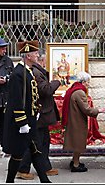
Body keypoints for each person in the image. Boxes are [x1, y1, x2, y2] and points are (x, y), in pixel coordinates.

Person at [2, 40, 51, 183]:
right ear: (28, 55)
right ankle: (9, 181)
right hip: (22, 123)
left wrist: (36, 112)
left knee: (36, 151)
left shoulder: (27, 71)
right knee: (18, 154)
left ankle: (45, 180)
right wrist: (22, 122)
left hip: (30, 120)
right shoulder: (18, 74)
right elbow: (17, 100)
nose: (37, 55)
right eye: (35, 53)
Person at [17, 52, 61, 180]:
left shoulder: (39, 71)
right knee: (35, 142)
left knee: (44, 141)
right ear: (43, 60)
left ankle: (45, 167)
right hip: (39, 113)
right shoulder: (36, 72)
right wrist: (57, 82)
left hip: (43, 113)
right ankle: (22, 169)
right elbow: (45, 90)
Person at [62, 71, 105, 172]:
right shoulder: (80, 92)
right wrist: (98, 110)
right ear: (83, 81)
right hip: (77, 121)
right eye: (87, 82)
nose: (88, 84)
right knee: (78, 143)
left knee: (76, 142)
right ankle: (76, 165)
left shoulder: (74, 89)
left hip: (73, 120)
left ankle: (74, 160)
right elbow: (86, 109)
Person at [0, 38, 14, 147]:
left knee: (4, 121)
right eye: (2, 48)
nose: (4, 51)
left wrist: (7, 78)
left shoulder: (8, 60)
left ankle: (2, 141)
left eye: (5, 48)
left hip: (4, 97)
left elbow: (13, 75)